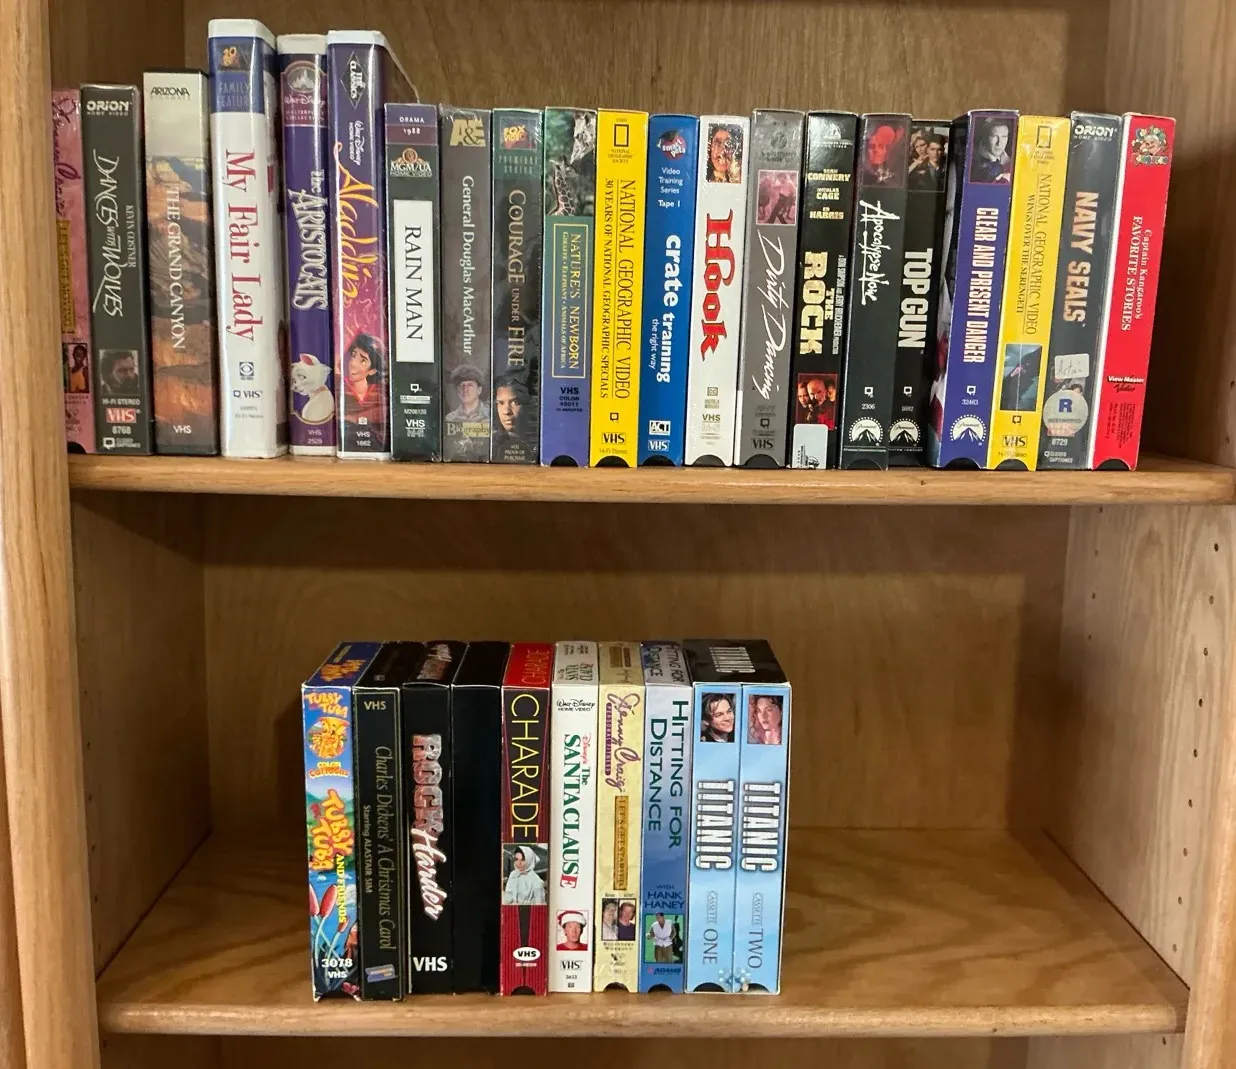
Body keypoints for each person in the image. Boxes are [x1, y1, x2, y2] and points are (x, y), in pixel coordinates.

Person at [341, 333, 386, 428]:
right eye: (353, 355)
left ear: (373, 371)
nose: (353, 363)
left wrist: (355, 417)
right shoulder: (341, 391)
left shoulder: (379, 397)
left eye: (363, 361)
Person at [970, 119, 1012, 183]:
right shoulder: (973, 163)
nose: (999, 143)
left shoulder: (1011, 162)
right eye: (995, 136)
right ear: (985, 138)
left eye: (1004, 137)